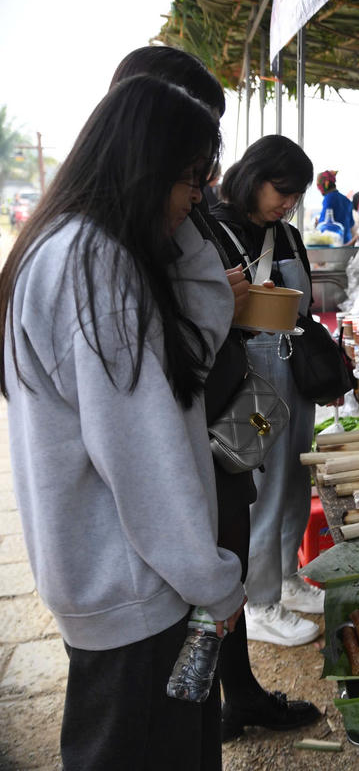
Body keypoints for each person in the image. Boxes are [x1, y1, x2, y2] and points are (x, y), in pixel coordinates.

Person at [0, 75, 244, 769]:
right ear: (146, 165)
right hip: (139, 595)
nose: (196, 199)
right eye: (190, 180)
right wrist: (212, 579)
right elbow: (143, 458)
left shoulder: (62, 245)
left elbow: (198, 331)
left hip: (111, 586)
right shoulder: (96, 268)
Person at [109, 45, 320, 743]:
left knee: (270, 499)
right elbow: (134, 421)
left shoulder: (194, 220)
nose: (199, 185)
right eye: (192, 167)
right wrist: (218, 302)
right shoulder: (106, 253)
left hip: (232, 407)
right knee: (146, 693)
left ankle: (240, 690)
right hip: (142, 558)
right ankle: (245, 639)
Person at [211, 136, 324, 651]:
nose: (287, 203)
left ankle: (288, 579)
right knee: (263, 485)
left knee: (297, 476)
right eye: (282, 190)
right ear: (253, 176)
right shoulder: (216, 228)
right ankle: (258, 602)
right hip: (249, 381)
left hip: (293, 371)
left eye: (296, 195)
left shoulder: (289, 235)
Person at [315, 169, 354, 242]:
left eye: (318, 185)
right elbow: (351, 224)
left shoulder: (328, 198)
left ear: (324, 185)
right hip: (346, 242)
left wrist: (318, 224)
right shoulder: (347, 200)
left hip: (334, 243)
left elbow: (324, 225)